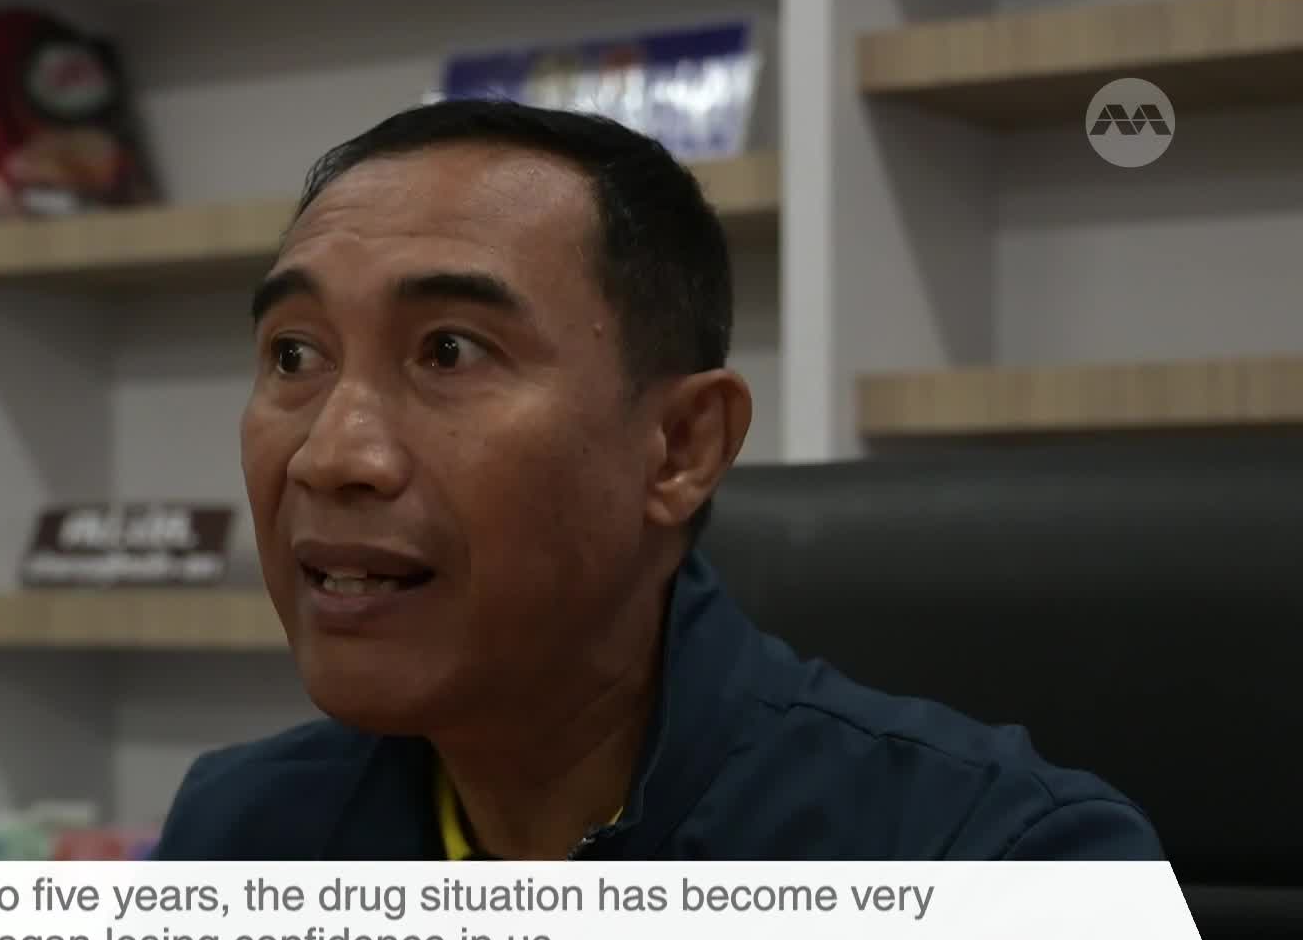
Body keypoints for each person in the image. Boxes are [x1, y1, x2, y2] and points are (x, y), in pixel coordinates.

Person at [154, 100, 1160, 862]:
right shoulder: (243, 834)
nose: (332, 455)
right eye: (294, 355)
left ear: (680, 447)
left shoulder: (999, 867)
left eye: (449, 351)